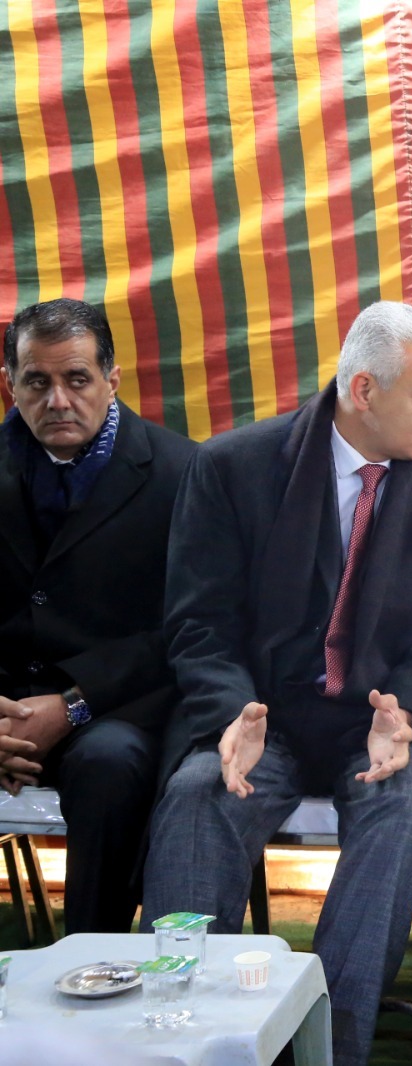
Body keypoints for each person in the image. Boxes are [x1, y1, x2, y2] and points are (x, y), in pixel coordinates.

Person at [141, 302, 412, 1066]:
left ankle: (329, 1045)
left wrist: (408, 711)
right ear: (363, 391)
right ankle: (179, 1041)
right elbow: (200, 619)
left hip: (382, 718)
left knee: (406, 805)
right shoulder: (234, 465)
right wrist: (231, 712)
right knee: (201, 793)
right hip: (262, 710)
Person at [0, 297, 195, 932]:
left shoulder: (182, 473)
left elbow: (189, 628)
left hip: (112, 710)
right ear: (10, 384)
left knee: (110, 765)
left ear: (112, 379)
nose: (58, 400)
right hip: (6, 707)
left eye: (77, 379)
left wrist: (72, 706)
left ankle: (95, 955)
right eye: (37, 381)